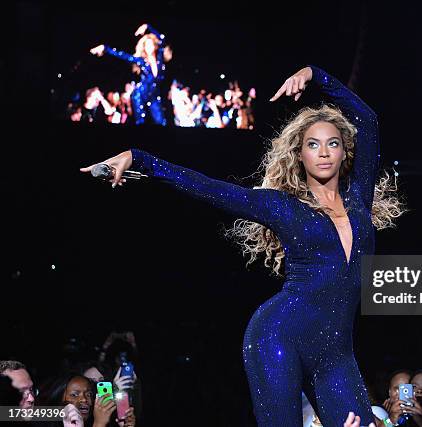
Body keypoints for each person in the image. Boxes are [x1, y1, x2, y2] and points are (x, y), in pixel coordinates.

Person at [80, 65, 404, 426]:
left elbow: (369, 119)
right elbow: (210, 188)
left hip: (337, 354)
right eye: (313, 144)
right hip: (278, 337)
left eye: (333, 143)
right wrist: (141, 159)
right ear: (300, 155)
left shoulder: (359, 197)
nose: (324, 152)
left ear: (346, 151)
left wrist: (317, 76)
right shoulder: (282, 206)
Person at [90, 23, 170, 125]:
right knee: (140, 122)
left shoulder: (160, 59)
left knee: (161, 122)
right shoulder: (141, 61)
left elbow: (162, 39)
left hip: (154, 95)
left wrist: (148, 26)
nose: (149, 47)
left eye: (150, 44)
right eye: (146, 45)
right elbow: (123, 55)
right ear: (144, 48)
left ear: (154, 46)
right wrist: (105, 48)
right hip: (139, 95)